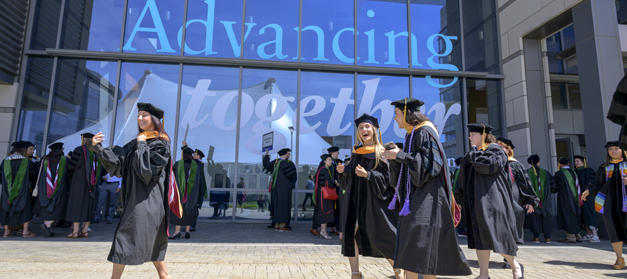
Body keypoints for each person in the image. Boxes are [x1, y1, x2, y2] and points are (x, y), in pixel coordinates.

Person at [383, 98, 471, 279]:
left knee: (424, 245)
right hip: (417, 198)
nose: (395, 119)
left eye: (397, 114)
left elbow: (430, 166)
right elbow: (409, 169)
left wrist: (400, 155)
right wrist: (394, 157)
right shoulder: (412, 134)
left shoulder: (424, 132)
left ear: (407, 113)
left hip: (427, 200)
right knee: (415, 246)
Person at [89, 102, 178, 279]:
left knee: (124, 237)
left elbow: (146, 173)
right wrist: (97, 147)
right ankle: (164, 275)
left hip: (147, 201)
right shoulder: (137, 142)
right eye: (138, 115)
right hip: (135, 199)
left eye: (144, 115)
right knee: (150, 243)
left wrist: (142, 145)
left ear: (154, 119)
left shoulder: (161, 144)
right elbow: (119, 166)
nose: (139, 118)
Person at [337, 113, 402, 279]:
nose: (364, 130)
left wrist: (368, 175)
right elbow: (350, 179)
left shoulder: (382, 152)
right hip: (354, 202)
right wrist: (344, 172)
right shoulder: (357, 152)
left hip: (373, 203)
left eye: (367, 127)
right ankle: (355, 273)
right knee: (349, 236)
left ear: (374, 130)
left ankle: (398, 270)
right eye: (360, 127)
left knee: (380, 236)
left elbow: (389, 180)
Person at [455, 123, 524, 279]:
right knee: (480, 238)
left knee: (497, 236)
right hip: (475, 202)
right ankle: (484, 274)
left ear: (483, 135)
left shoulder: (496, 151)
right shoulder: (473, 153)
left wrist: (473, 152)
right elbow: (463, 178)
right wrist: (459, 197)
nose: (470, 137)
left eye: (473, 134)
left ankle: (515, 266)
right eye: (470, 134)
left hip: (492, 202)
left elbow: (486, 166)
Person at [582, 141, 627, 269]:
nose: (613, 151)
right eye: (610, 149)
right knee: (614, 230)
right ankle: (619, 259)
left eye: (616, 149)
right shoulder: (604, 167)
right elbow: (597, 185)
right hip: (611, 204)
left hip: (626, 202)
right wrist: (589, 190)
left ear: (622, 150)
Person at [497, 137, 538, 268]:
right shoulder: (493, 163)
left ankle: (511, 260)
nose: (498, 148)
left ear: (508, 150)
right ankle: (508, 257)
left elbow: (525, 183)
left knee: (511, 229)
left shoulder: (515, 164)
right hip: (499, 200)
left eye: (501, 146)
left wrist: (530, 201)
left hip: (514, 201)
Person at [66, 132, 103, 239]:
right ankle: (85, 231)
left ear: (84, 139)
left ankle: (75, 232)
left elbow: (73, 166)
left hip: (79, 182)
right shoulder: (97, 151)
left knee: (77, 205)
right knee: (89, 206)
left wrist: (69, 160)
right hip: (93, 183)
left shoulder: (80, 149)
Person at [1, 141, 38, 238]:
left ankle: (6, 232)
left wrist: (8, 186)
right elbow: (33, 176)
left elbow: (1, 177)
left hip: (7, 191)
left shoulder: (5, 161)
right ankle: (25, 231)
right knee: (25, 208)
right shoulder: (26, 162)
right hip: (23, 190)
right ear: (23, 150)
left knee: (6, 208)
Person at [34, 142, 69, 237]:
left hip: (44, 188)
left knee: (46, 207)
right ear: (61, 150)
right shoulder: (64, 160)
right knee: (59, 207)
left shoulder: (44, 159)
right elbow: (68, 174)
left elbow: (38, 172)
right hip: (60, 187)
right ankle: (47, 224)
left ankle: (48, 230)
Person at [169, 147, 204, 240]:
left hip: (179, 193)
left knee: (179, 210)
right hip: (192, 194)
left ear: (183, 155)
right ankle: (187, 231)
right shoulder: (197, 165)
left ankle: (177, 232)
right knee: (189, 211)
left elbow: (172, 178)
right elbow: (200, 181)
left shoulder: (178, 164)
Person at [262, 148, 297, 232]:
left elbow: (267, 165)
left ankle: (277, 225)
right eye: (288, 154)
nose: (289, 155)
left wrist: (266, 156)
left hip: (276, 188)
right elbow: (292, 175)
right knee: (283, 206)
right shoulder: (284, 164)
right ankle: (282, 226)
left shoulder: (276, 163)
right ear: (285, 154)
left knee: (277, 206)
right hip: (284, 189)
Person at [525, 154, 556, 243]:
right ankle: (548, 238)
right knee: (546, 216)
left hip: (532, 200)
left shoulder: (527, 172)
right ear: (538, 162)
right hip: (545, 200)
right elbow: (553, 187)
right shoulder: (546, 172)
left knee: (534, 217)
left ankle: (536, 237)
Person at [554, 157, 584, 243]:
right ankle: (578, 236)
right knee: (575, 215)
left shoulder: (559, 173)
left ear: (560, 164)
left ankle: (571, 237)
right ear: (568, 164)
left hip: (565, 198)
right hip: (576, 198)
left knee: (568, 215)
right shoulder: (574, 172)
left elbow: (556, 186)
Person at [574, 155, 599, 242]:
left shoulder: (589, 170)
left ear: (583, 161)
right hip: (579, 196)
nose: (576, 163)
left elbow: (591, 183)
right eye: (575, 161)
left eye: (578, 161)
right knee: (583, 215)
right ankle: (588, 234)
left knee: (590, 214)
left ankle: (595, 235)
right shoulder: (575, 171)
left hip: (588, 196)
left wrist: (586, 192)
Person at [313, 154, 337, 240]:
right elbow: (324, 183)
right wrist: (334, 181)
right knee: (324, 212)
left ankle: (324, 231)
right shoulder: (323, 170)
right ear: (324, 161)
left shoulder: (326, 170)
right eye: (329, 160)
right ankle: (323, 231)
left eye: (331, 160)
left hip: (324, 195)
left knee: (326, 212)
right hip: (324, 196)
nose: (331, 161)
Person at [190, 149, 207, 232]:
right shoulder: (198, 164)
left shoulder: (198, 164)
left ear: (198, 156)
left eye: (194, 155)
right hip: (196, 190)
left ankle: (192, 225)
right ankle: (190, 225)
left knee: (193, 208)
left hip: (196, 191)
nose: (192, 156)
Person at [452, 156, 466, 237]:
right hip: (459, 196)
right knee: (461, 213)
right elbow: (458, 186)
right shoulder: (460, 171)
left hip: (456, 195)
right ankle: (461, 230)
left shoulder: (456, 170)